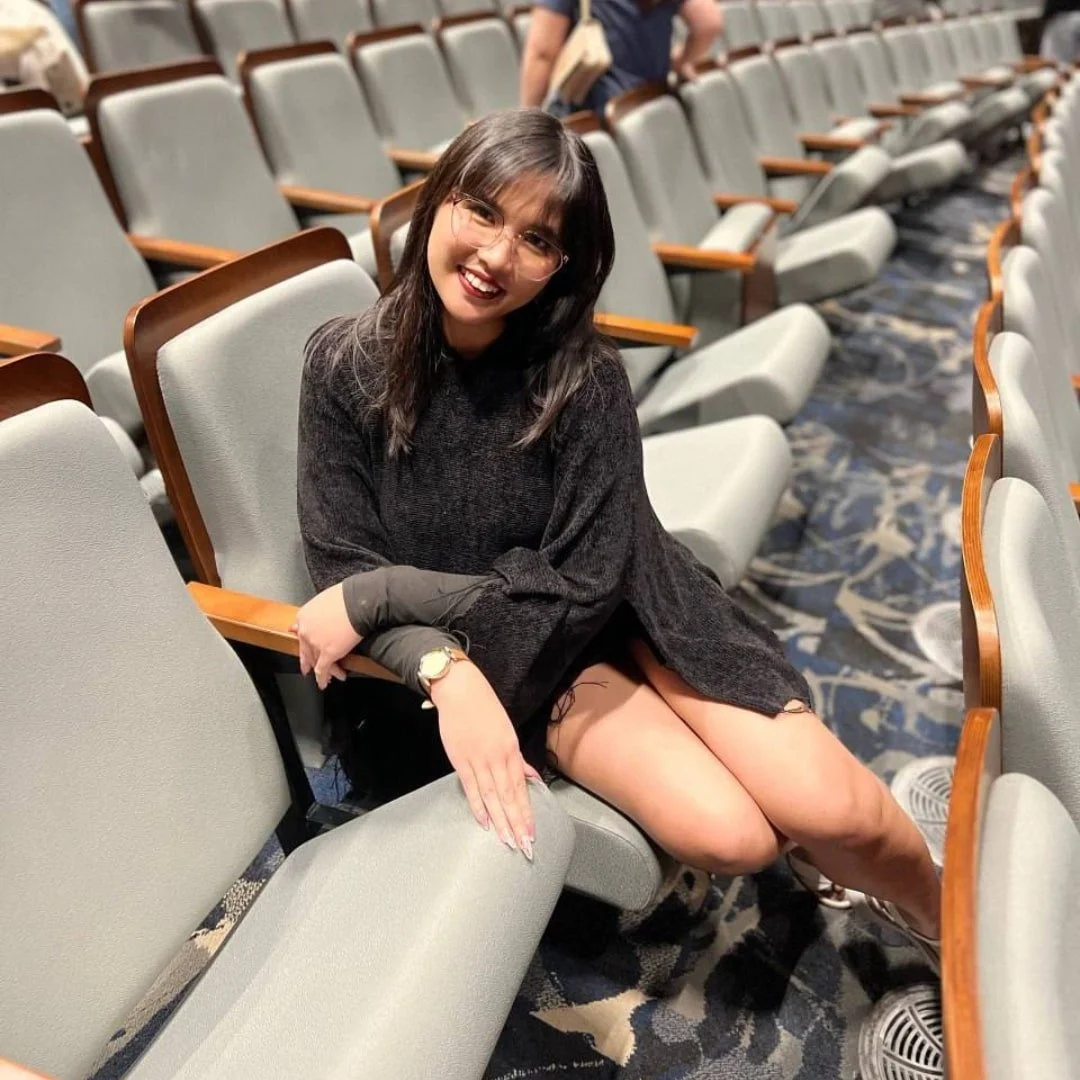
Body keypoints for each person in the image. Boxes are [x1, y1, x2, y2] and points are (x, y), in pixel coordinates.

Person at [292, 108, 942, 967]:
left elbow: (581, 581)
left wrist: (386, 597)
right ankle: (817, 861)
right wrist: (444, 668)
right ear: (438, 200)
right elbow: (343, 562)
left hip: (634, 604)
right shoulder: (345, 365)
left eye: (536, 239)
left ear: (563, 263)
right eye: (481, 211)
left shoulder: (584, 375)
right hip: (527, 662)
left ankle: (951, 921)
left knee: (840, 812)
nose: (495, 256)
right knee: (736, 838)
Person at [519, 0, 722, 117]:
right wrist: (680, 62)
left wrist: (526, 124)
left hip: (597, 114)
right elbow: (708, 22)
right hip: (655, 101)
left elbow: (542, 54)